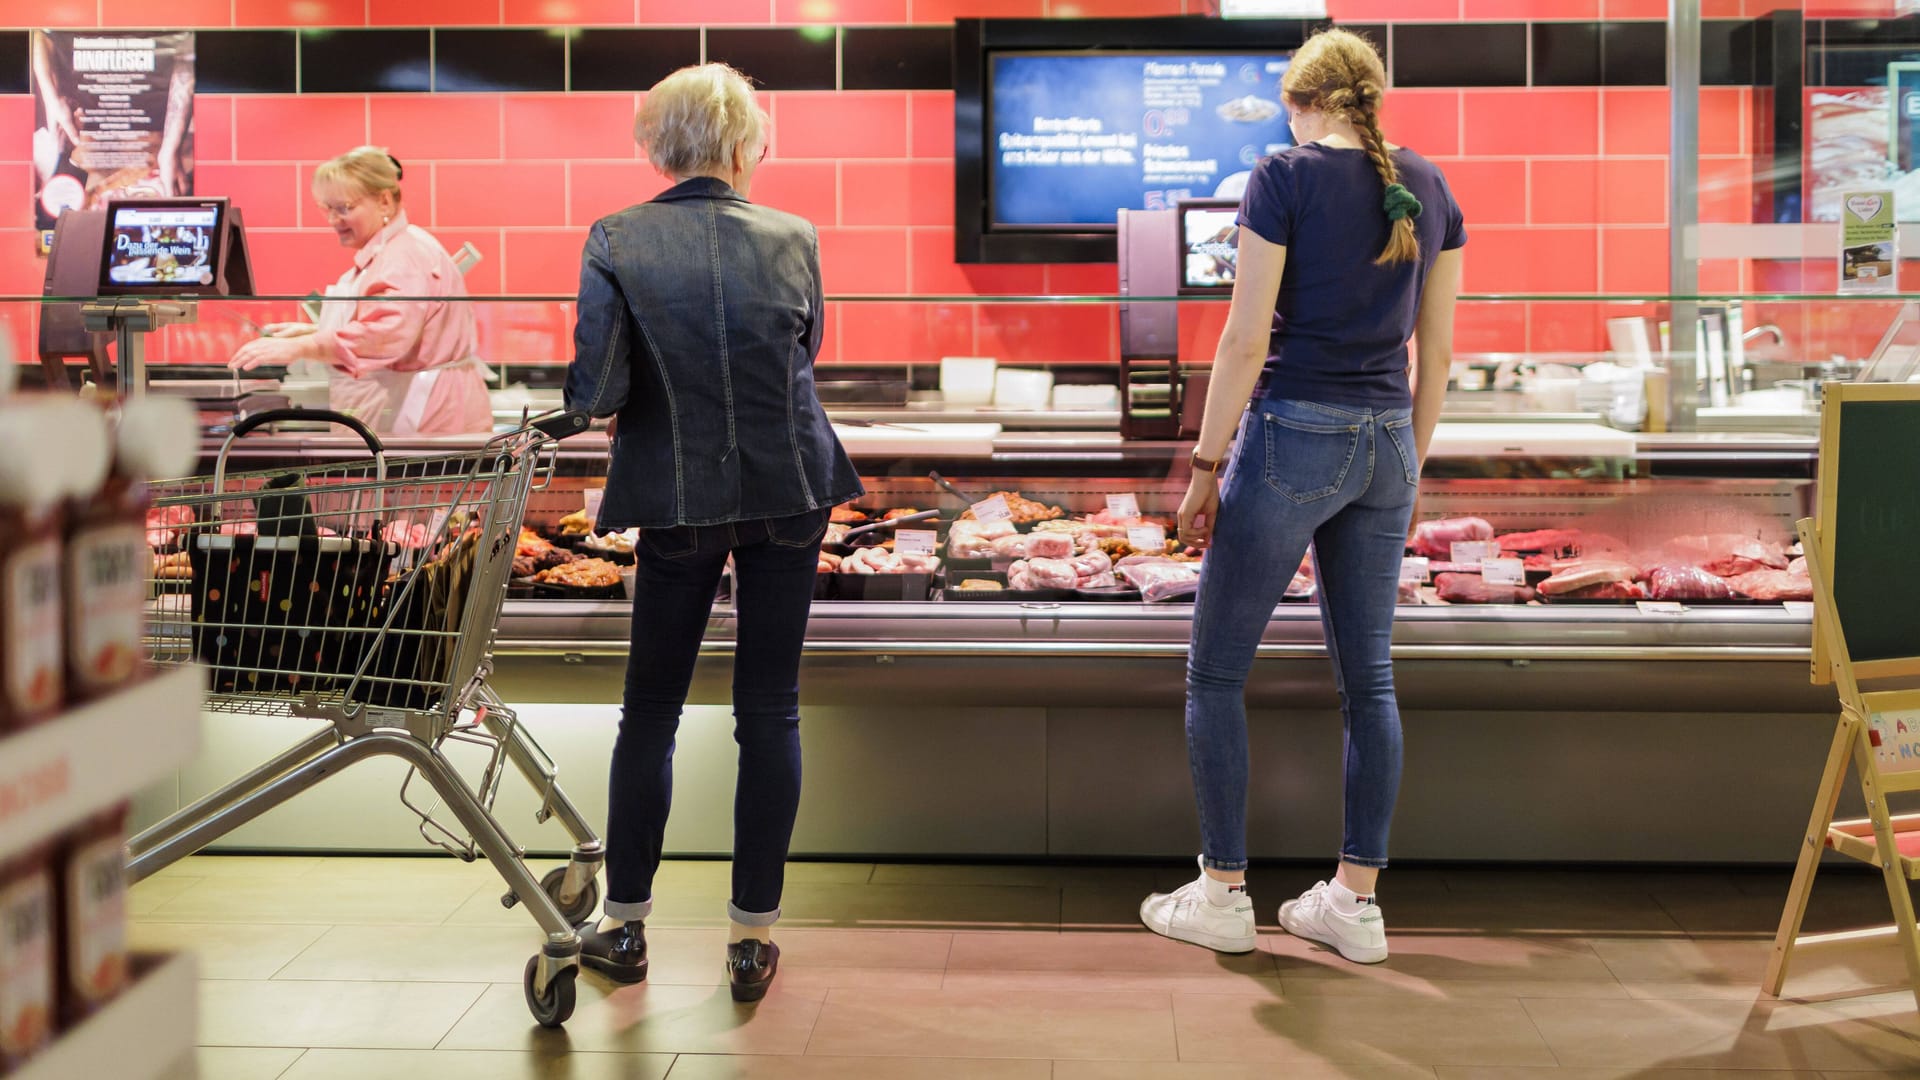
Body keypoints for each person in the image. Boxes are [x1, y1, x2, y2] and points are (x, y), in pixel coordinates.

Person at [1139, 28, 1465, 964]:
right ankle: (1355, 905)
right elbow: (1437, 355)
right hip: (1387, 442)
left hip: (1292, 436)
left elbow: (1244, 341)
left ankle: (1223, 892)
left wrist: (1203, 469)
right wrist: (1409, 459)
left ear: (1298, 100)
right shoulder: (1432, 185)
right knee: (1370, 682)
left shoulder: (1281, 176)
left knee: (1215, 672)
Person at [562, 63, 862, 1002]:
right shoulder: (795, 234)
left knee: (650, 712)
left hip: (675, 496)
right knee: (767, 709)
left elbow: (600, 391)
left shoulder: (616, 236)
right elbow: (804, 352)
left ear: (658, 144)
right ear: (744, 143)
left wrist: (567, 408)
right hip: (792, 489)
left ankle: (627, 929)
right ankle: (751, 938)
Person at [229, 147, 491, 437]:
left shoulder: (403, 256)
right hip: (421, 407)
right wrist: (311, 332)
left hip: (427, 412)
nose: (333, 220)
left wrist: (304, 346)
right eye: (327, 209)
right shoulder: (395, 249)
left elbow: (384, 335)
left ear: (384, 201)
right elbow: (392, 322)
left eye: (344, 208)